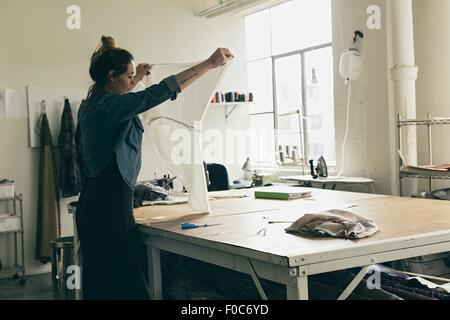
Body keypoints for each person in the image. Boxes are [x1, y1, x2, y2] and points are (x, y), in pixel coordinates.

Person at [76, 35, 234, 300]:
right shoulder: (109, 108)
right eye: (127, 77)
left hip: (98, 204)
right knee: (124, 285)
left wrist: (136, 77)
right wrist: (209, 63)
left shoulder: (94, 102)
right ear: (112, 76)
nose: (132, 81)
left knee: (105, 284)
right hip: (109, 210)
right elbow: (159, 92)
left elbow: (126, 97)